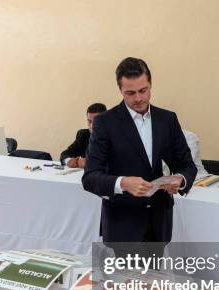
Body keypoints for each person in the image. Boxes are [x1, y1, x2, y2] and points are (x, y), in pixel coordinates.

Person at [82, 57, 197, 243]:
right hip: (123, 226)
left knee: (155, 273)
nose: (138, 98)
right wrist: (123, 183)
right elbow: (90, 178)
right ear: (120, 90)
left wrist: (181, 180)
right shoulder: (104, 123)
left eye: (143, 90)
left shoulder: (167, 120)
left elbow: (187, 165)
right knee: (124, 274)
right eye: (130, 93)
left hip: (159, 224)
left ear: (151, 85)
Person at [60, 103, 107, 168]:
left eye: (96, 122)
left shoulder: (114, 136)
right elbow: (65, 154)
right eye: (89, 122)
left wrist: (89, 163)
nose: (92, 126)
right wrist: (70, 161)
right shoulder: (83, 135)